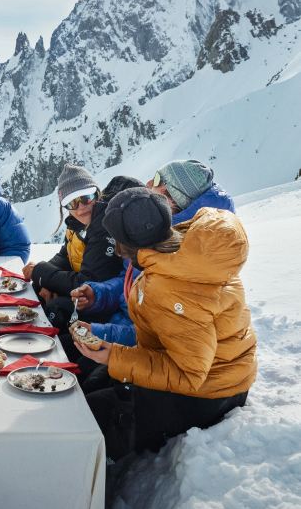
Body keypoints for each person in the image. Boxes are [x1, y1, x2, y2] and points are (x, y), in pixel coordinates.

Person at [75, 189, 256, 460]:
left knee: (89, 418)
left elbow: (189, 374)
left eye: (117, 239)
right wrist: (113, 351)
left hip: (215, 391)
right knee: (92, 383)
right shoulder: (180, 255)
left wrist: (115, 355)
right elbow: (168, 333)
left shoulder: (172, 286)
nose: (116, 248)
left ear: (128, 243)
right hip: (211, 368)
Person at [71, 160, 235, 348]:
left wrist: (101, 332)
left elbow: (158, 337)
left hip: (148, 350)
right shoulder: (155, 229)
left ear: (172, 198)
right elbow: (131, 281)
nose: (148, 183)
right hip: (125, 326)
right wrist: (97, 294)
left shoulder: (185, 252)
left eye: (157, 180)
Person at [22, 164, 123, 328]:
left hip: (105, 307)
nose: (81, 207)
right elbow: (64, 257)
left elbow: (88, 282)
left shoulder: (105, 227)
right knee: (37, 293)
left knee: (55, 311)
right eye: (72, 203)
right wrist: (43, 281)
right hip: (84, 297)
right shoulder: (77, 225)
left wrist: (42, 272)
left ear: (97, 194)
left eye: (86, 197)